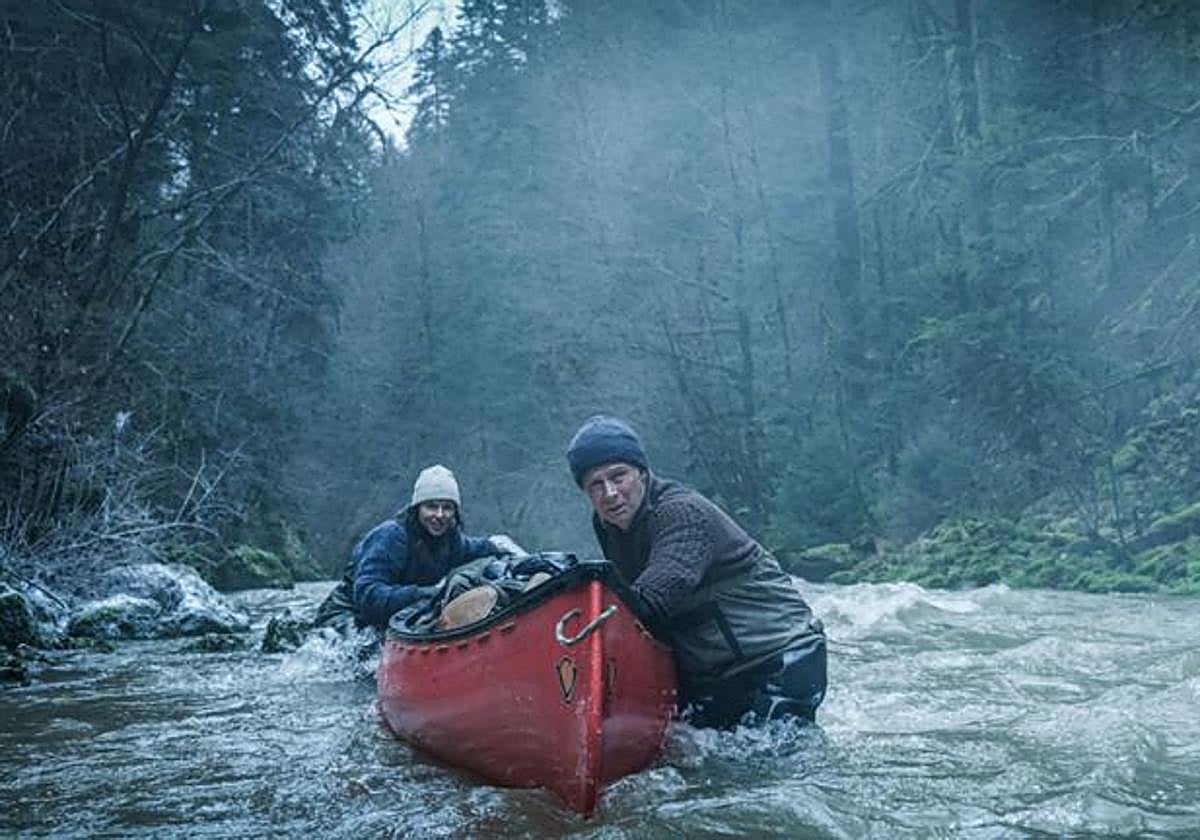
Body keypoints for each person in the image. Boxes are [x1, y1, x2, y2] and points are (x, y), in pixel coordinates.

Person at [566, 414, 828, 728]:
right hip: (716, 671)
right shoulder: (608, 524)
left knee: (773, 763)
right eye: (595, 485)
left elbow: (649, 604)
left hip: (778, 658)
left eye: (618, 476)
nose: (610, 493)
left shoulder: (682, 512)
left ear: (642, 473)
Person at [314, 464, 516, 632]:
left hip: (396, 615)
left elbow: (472, 547)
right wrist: (427, 594)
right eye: (431, 506)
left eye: (447, 507)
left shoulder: (450, 538)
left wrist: (498, 546)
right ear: (417, 508)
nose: (439, 515)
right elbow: (368, 596)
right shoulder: (391, 537)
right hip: (345, 616)